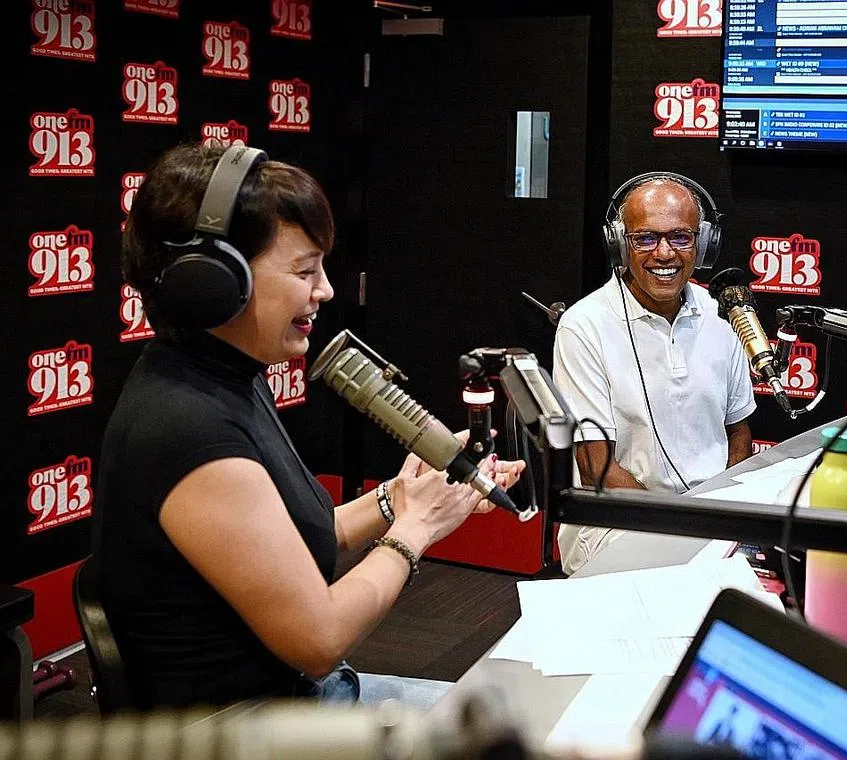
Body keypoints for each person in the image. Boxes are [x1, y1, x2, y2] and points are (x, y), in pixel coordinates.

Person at [92, 143, 525, 711]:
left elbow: (299, 538)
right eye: (304, 271)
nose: (325, 290)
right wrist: (415, 530)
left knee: (514, 714)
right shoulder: (189, 432)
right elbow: (318, 640)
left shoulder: (223, 378)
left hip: (298, 699)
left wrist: (400, 497)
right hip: (247, 732)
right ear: (213, 283)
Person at [552, 175, 755, 574]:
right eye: (645, 238)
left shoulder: (722, 314)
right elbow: (597, 470)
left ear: (703, 243)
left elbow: (739, 431)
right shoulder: (583, 326)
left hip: (708, 523)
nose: (664, 253)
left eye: (680, 237)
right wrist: (683, 532)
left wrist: (722, 515)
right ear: (619, 244)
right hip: (617, 522)